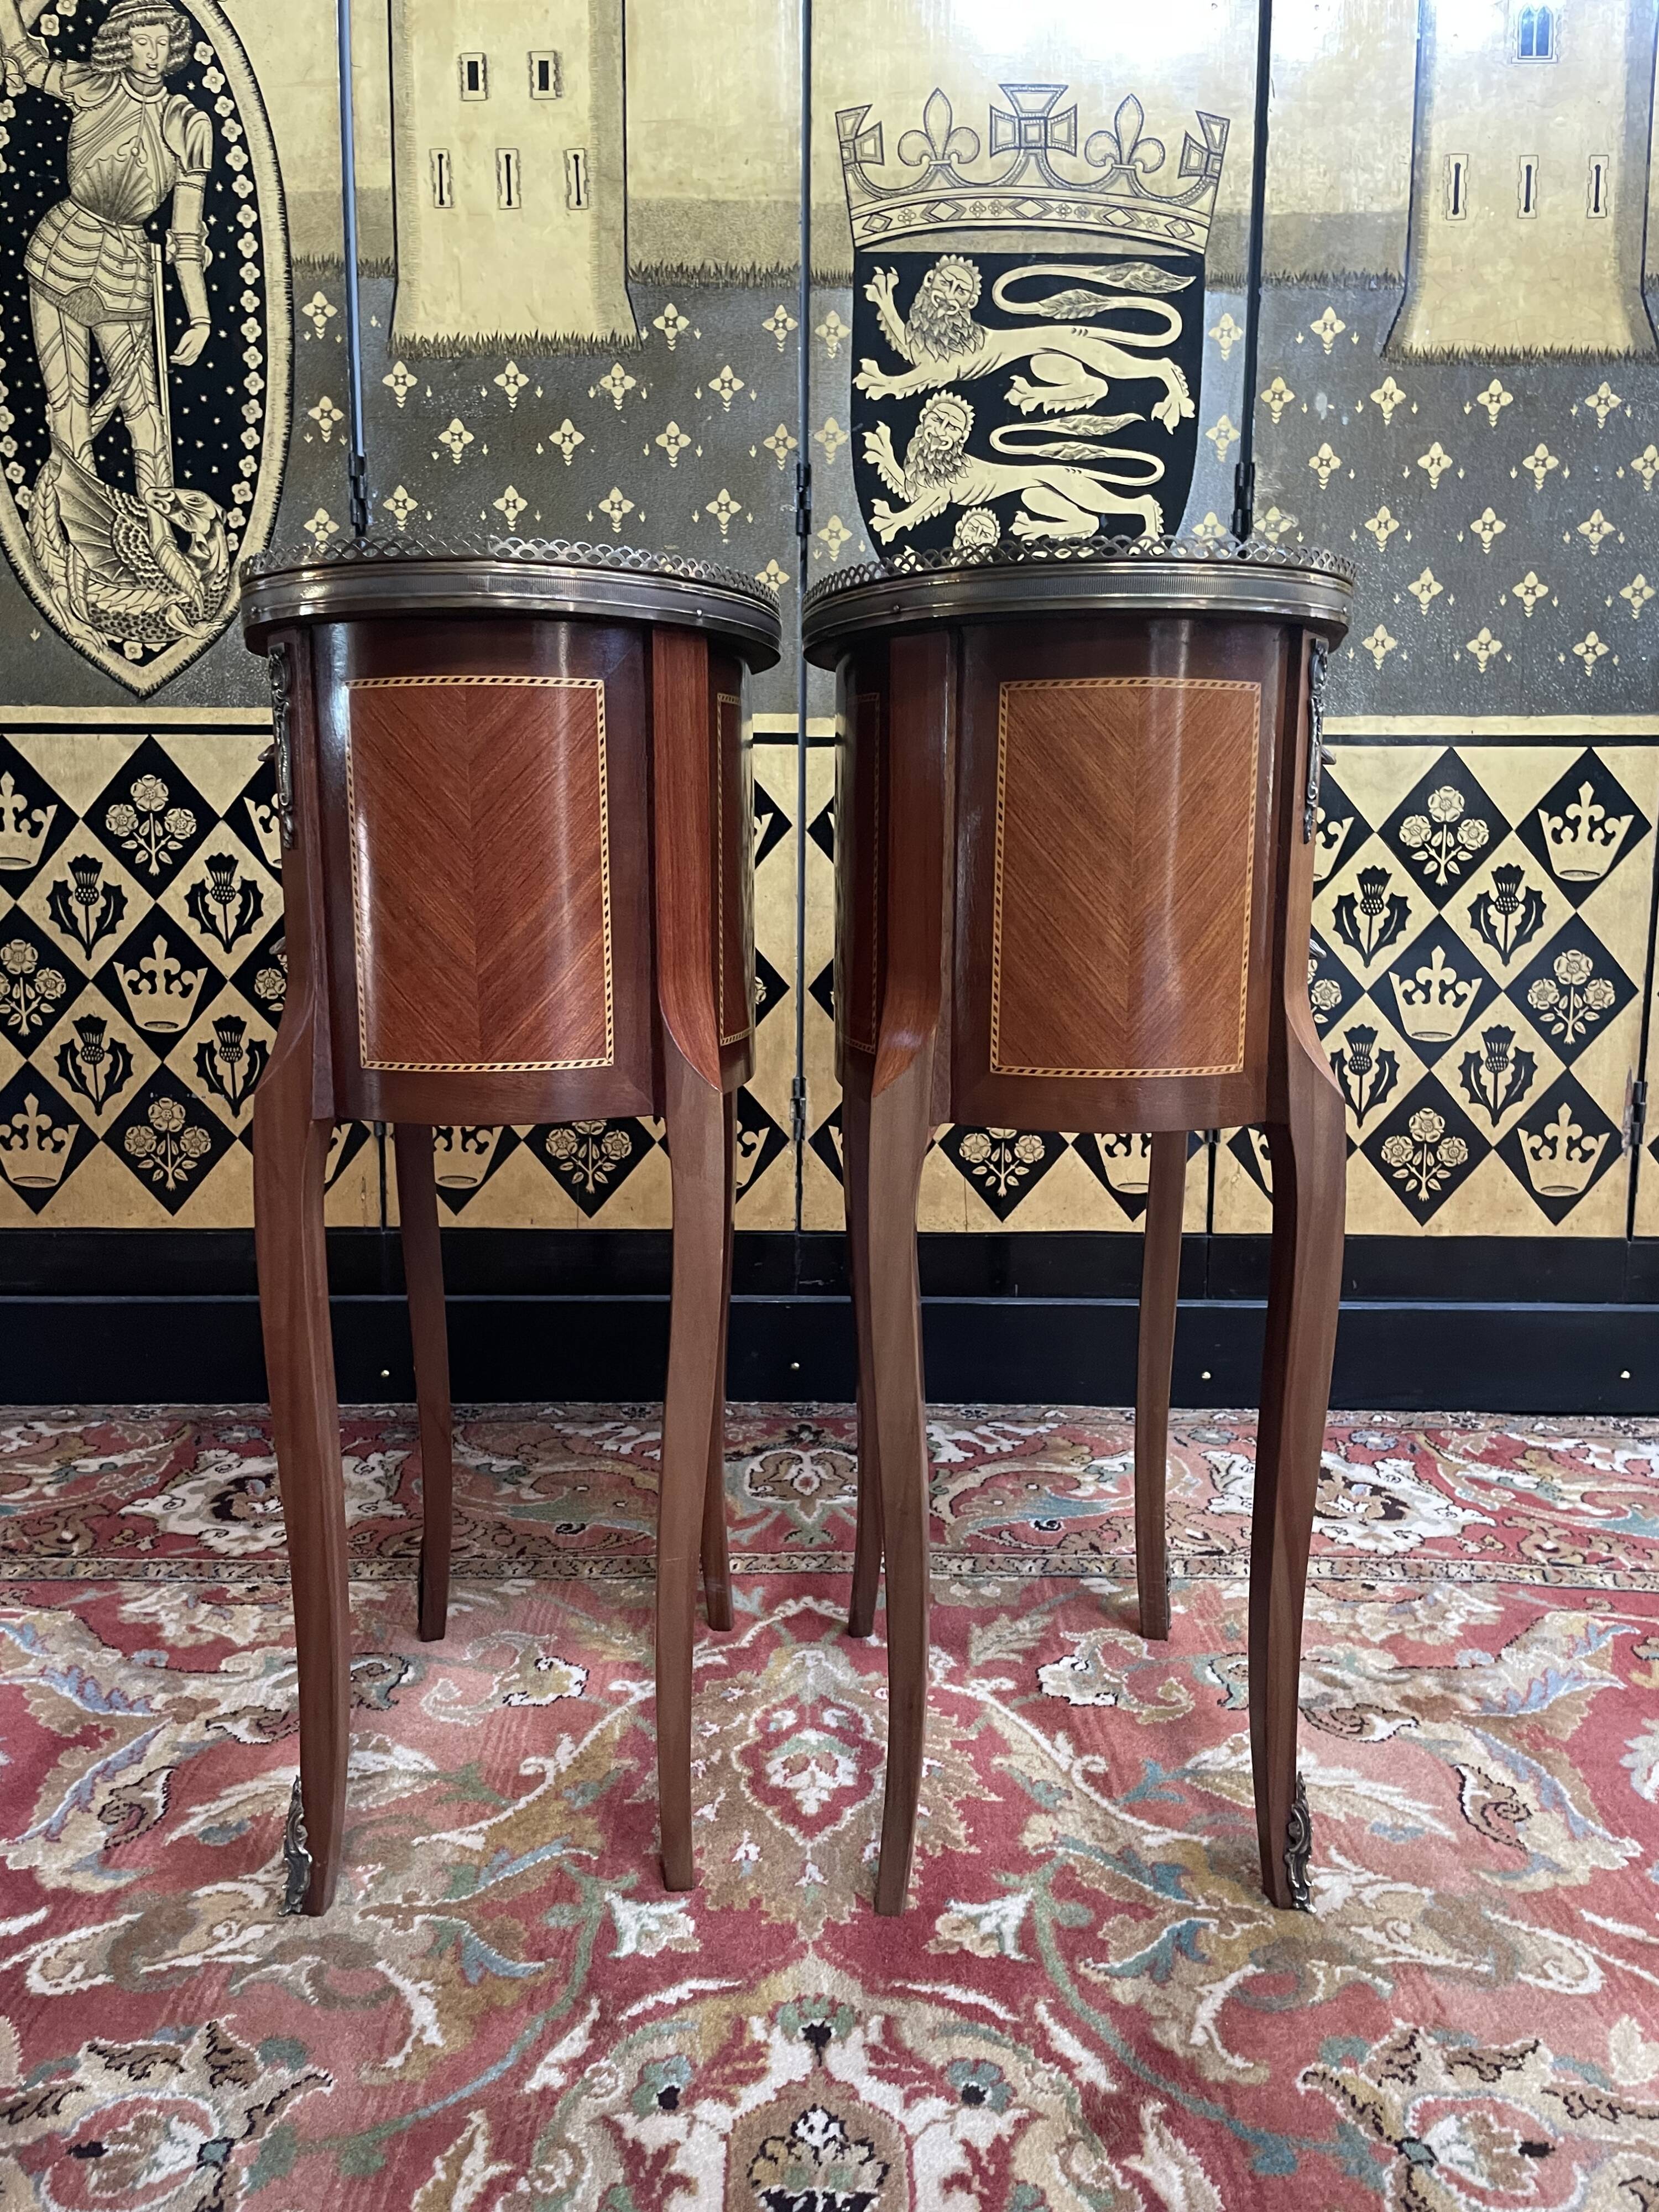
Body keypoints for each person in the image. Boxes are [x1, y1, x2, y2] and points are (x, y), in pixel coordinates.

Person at [0, 0, 212, 504]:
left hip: (126, 268)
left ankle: (161, 540)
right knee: (66, 407)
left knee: (143, 412)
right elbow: (28, 63)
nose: (153, 54)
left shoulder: (189, 123)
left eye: (162, 42)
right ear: (123, 44)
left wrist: (200, 317)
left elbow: (186, 237)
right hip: (60, 249)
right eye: (142, 42)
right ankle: (83, 548)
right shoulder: (94, 86)